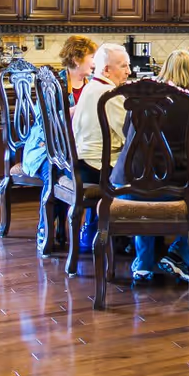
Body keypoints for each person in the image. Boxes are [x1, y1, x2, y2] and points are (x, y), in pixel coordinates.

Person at [112, 50, 189, 283]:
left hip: (129, 182)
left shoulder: (141, 97)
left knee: (145, 191)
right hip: (175, 184)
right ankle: (179, 254)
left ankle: (143, 264)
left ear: (166, 70)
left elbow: (125, 132)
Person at [20, 37, 97, 248]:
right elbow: (45, 120)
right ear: (76, 58)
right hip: (45, 148)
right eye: (92, 57)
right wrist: (77, 110)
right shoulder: (54, 84)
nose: (95, 62)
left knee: (92, 171)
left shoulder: (92, 85)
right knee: (54, 173)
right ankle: (45, 228)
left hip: (79, 148)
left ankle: (88, 233)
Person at [68, 43, 132, 257]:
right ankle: (135, 237)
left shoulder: (91, 87)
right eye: (123, 66)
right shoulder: (109, 94)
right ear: (106, 70)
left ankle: (94, 232)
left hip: (82, 162)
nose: (129, 71)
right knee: (147, 172)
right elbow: (130, 136)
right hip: (98, 167)